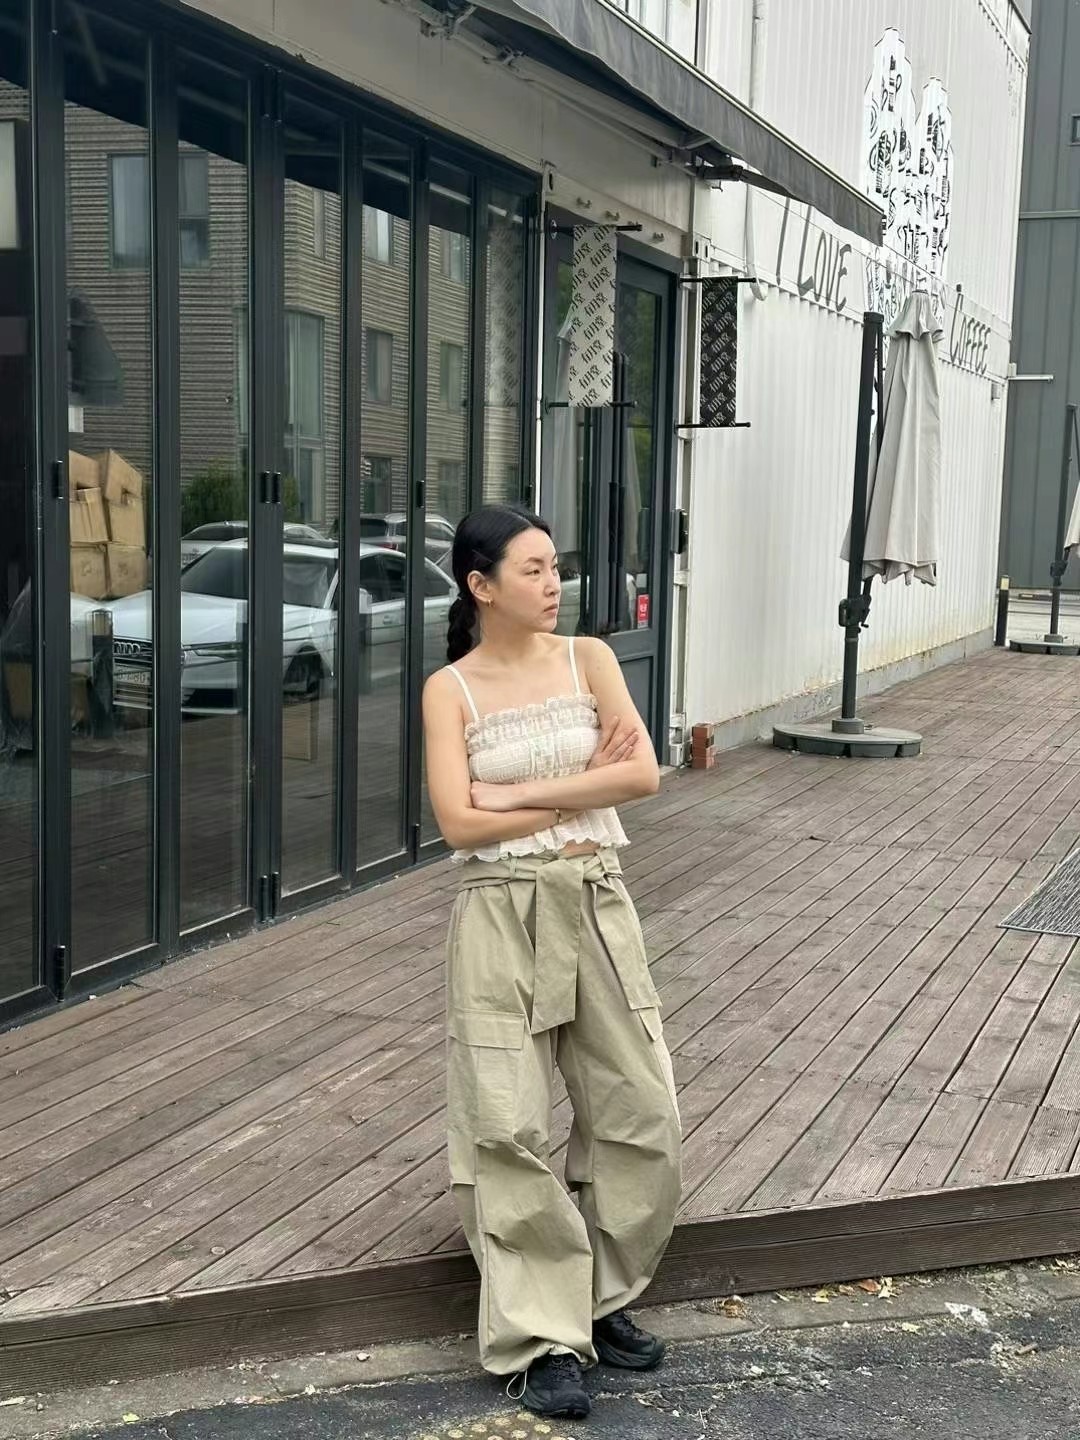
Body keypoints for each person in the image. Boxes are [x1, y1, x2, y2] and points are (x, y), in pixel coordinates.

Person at [422, 504, 682, 1421]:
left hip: (596, 899)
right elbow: (459, 824)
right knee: (507, 1120)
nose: (552, 583)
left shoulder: (590, 660)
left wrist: (515, 794)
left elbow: (641, 775)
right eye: (531, 570)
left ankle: (600, 1296)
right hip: (499, 913)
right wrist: (577, 790)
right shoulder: (450, 690)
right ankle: (542, 1337)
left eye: (554, 567)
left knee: (639, 1105)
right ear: (480, 585)